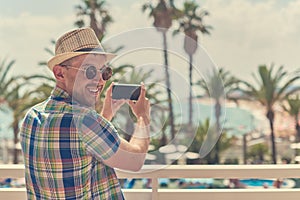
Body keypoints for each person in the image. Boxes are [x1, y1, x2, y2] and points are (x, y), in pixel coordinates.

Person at [20, 27, 150, 199]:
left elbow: (81, 148)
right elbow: (135, 160)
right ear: (59, 73)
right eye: (89, 71)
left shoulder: (32, 117)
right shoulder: (86, 122)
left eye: (105, 72)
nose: (99, 81)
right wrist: (143, 117)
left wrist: (105, 115)